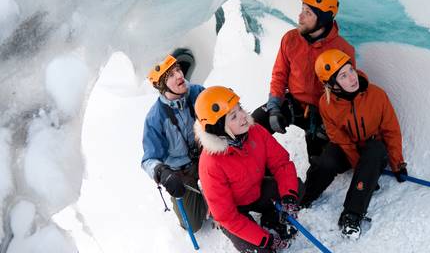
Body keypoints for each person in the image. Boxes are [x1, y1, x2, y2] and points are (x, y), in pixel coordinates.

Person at [300, 49, 408, 239]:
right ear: (332, 85)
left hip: (373, 149)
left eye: (350, 70)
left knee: (375, 150)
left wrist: (397, 164)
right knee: (327, 159)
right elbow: (339, 138)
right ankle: (302, 197)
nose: (352, 78)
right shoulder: (326, 104)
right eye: (343, 76)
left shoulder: (377, 95)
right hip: (348, 148)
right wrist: (360, 168)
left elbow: (391, 131)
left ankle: (352, 214)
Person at [252, 0, 355, 162]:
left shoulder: (343, 50)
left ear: (323, 19)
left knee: (319, 161)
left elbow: (346, 94)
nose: (300, 17)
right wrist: (275, 106)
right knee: (254, 124)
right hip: (293, 103)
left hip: (322, 113)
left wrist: (329, 123)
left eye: (308, 13)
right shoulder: (290, 39)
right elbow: (279, 75)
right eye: (302, 10)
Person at [194, 85, 302, 252]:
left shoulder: (255, 131)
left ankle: (270, 216)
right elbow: (227, 216)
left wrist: (288, 197)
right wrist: (266, 239)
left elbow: (281, 163)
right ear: (218, 126)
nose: (244, 116)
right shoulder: (210, 164)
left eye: (240, 109)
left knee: (296, 189)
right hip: (233, 211)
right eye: (234, 116)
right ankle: (260, 228)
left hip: (256, 191)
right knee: (262, 249)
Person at [141, 54, 208, 231]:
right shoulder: (155, 118)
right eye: (170, 75)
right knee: (192, 225)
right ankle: (200, 197)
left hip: (207, 157)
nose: (179, 75)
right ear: (162, 87)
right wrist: (162, 173)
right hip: (182, 173)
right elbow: (149, 160)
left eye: (178, 69)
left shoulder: (197, 92)